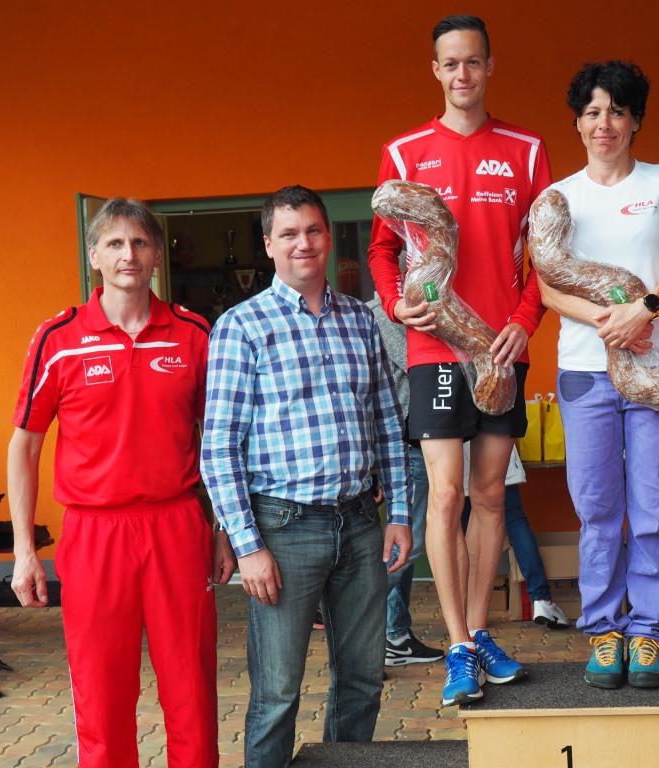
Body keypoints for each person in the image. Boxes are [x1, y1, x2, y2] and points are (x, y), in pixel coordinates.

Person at [7, 198, 235, 768]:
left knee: (191, 689)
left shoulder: (193, 334)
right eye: (114, 243)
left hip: (177, 524)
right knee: (101, 694)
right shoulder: (58, 338)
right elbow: (25, 446)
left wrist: (224, 529)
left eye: (139, 243)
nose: (127, 254)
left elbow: (219, 442)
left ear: (157, 254)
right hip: (93, 532)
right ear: (94, 256)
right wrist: (24, 551)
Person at [368, 13, 551, 708]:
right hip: (435, 348)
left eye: (473, 61)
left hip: (501, 348)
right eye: (450, 63)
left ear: (489, 66)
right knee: (445, 495)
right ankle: (455, 646)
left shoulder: (527, 150)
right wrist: (396, 305)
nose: (463, 74)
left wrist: (525, 323)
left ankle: (477, 633)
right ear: (435, 70)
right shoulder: (405, 152)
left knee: (490, 495)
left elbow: (546, 257)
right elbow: (383, 248)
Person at [201, 185, 411, 768]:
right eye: (289, 233)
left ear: (328, 237)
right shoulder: (242, 326)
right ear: (269, 244)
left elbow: (386, 422)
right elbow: (218, 447)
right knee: (276, 694)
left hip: (360, 524)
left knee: (363, 680)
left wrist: (398, 512)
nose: (303, 243)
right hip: (283, 529)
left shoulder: (361, 320)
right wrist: (248, 547)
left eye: (313, 230)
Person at [537, 60, 659, 690]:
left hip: (657, 364)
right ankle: (604, 630)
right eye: (593, 112)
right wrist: (608, 319)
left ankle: (648, 631)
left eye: (618, 112)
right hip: (585, 370)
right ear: (578, 122)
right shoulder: (560, 197)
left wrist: (644, 309)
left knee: (652, 506)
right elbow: (547, 287)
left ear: (635, 121)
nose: (605, 123)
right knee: (597, 508)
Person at [365, 294, 444, 666]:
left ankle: (394, 633)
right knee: (404, 546)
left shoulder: (381, 313)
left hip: (409, 440)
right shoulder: (385, 316)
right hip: (405, 442)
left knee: (404, 546)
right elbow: (420, 364)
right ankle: (371, 638)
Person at [461, 444, 570, 628]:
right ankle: (541, 599)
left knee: (463, 530)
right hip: (493, 442)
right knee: (515, 520)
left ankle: (467, 611)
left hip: (454, 449)